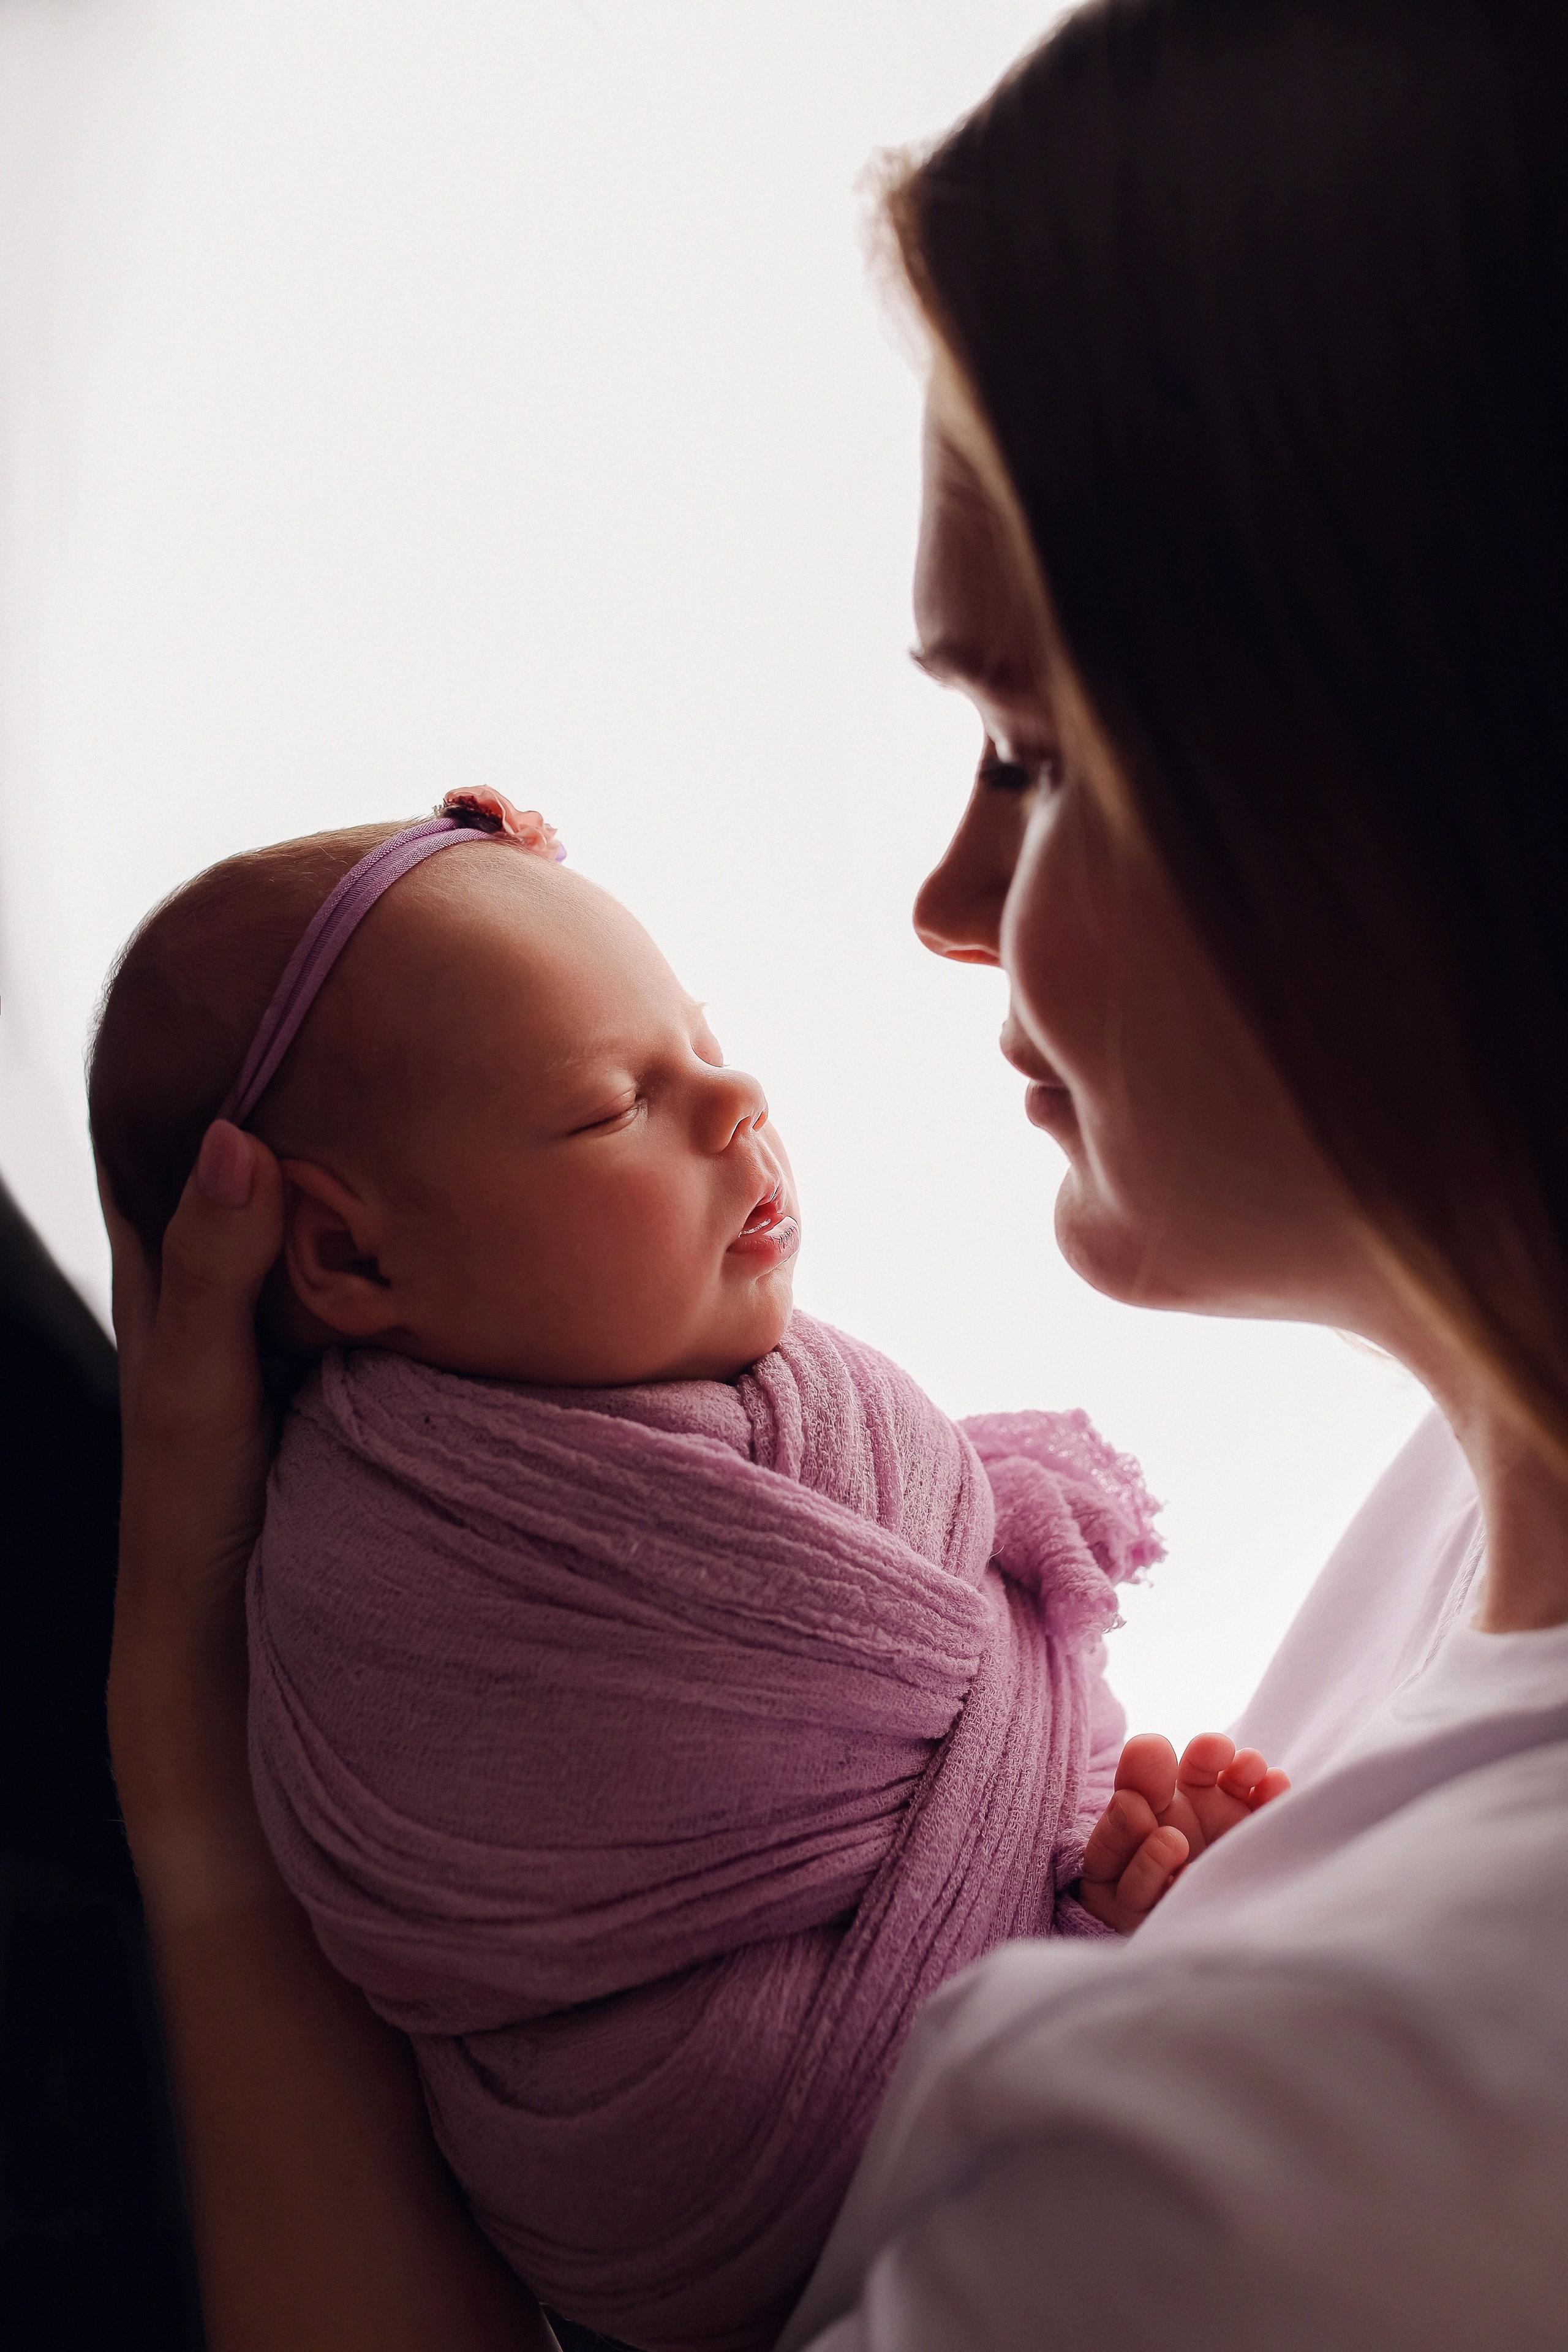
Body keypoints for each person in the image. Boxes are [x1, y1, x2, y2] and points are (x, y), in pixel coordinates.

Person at [102, 0, 1568, 2345]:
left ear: (1409, 761)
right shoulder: (1458, 1543)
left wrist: (190, 1832)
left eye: (1028, 748)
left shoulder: (1264, 2178)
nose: (951, 904)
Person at [90, 788, 1281, 2348]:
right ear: (351, 1258)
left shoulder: (801, 1408)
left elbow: (929, 1744)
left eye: (705, 1043)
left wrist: (1073, 1871)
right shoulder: (388, 1564)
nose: (733, 1099)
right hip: (733, 2166)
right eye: (608, 1106)